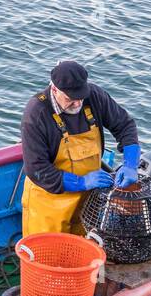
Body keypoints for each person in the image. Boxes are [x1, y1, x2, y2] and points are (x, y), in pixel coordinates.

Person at [19, 60, 140, 236]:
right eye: (70, 99)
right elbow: (36, 169)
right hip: (49, 203)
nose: (77, 104)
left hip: (88, 200)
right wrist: (80, 182)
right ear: (54, 89)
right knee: (48, 256)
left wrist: (131, 164)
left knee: (84, 249)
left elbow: (125, 125)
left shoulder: (95, 96)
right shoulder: (36, 113)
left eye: (80, 98)